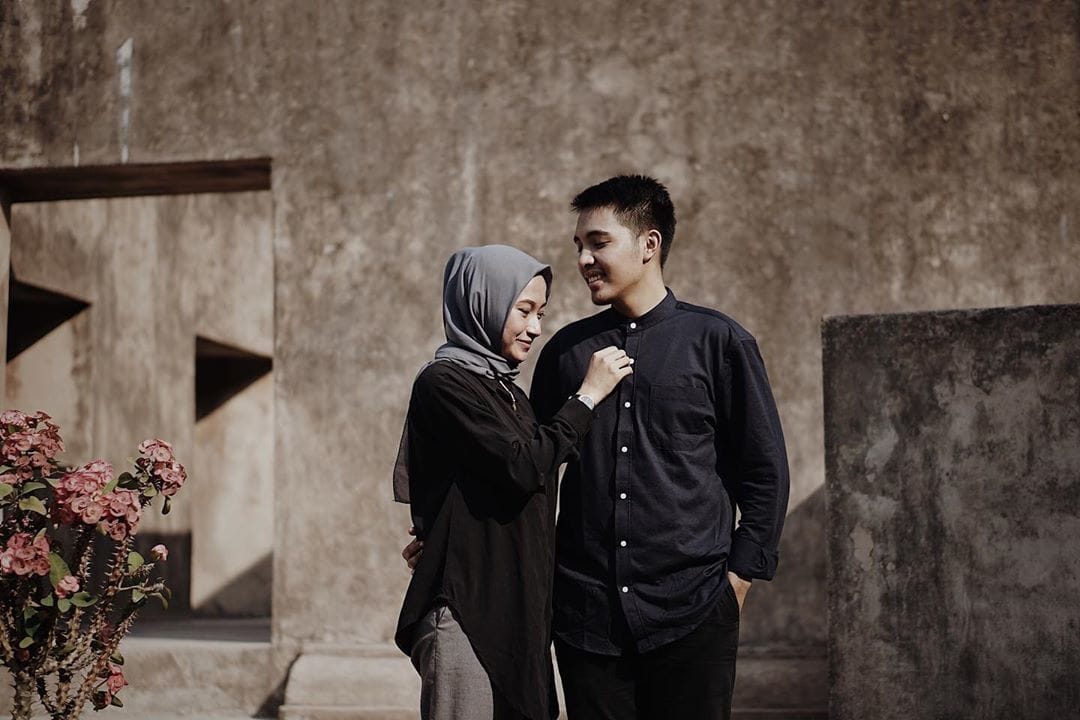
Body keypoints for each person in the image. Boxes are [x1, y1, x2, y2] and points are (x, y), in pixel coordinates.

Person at [528, 175, 790, 719]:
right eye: (579, 246)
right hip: (586, 619)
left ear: (649, 245)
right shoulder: (565, 353)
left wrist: (737, 580)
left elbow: (763, 472)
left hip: (694, 612)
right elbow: (534, 470)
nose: (583, 260)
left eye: (598, 242)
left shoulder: (719, 342)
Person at [393, 244, 633, 720]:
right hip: (467, 614)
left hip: (518, 617)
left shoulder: (509, 395)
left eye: (541, 312)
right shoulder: (445, 383)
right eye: (523, 311)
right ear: (482, 302)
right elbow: (524, 466)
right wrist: (587, 396)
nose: (536, 328)